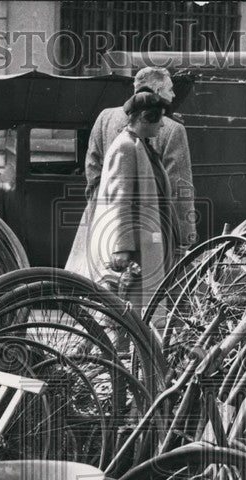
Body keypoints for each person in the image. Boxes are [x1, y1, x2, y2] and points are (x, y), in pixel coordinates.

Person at [67, 66, 195, 278]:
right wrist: (184, 237)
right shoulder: (173, 129)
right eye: (170, 89)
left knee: (97, 286)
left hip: (104, 224)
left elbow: (92, 171)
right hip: (147, 230)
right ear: (156, 92)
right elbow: (179, 188)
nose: (173, 94)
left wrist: (102, 212)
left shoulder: (105, 117)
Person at [80, 91, 175, 312]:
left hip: (144, 241)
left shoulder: (140, 145)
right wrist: (121, 247)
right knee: (125, 313)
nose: (162, 125)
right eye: (159, 118)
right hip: (133, 249)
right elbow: (117, 199)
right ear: (144, 117)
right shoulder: (126, 147)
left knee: (137, 311)